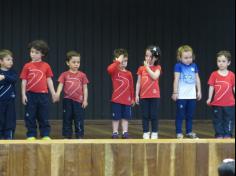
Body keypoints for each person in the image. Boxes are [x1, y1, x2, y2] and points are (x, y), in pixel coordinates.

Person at [20, 40, 56, 140]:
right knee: (30, 116)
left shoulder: (46, 66)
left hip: (43, 96)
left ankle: (45, 134)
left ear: (42, 54)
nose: (33, 54)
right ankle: (31, 134)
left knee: (43, 116)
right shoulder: (27, 66)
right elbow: (24, 81)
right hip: (30, 95)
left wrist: (53, 93)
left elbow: (49, 80)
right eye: (32, 52)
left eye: (36, 52)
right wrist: (23, 94)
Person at [55, 51, 89, 139]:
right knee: (67, 119)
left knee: (79, 119)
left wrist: (85, 100)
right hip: (67, 101)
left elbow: (85, 88)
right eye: (74, 62)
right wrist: (57, 94)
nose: (76, 64)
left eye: (78, 62)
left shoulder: (82, 75)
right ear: (67, 63)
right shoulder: (64, 75)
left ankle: (79, 135)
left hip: (79, 102)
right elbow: (60, 85)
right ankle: (67, 136)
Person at [172, 45, 201, 139]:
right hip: (181, 96)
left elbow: (197, 79)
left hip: (191, 96)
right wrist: (175, 92)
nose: (188, 59)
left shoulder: (194, 65)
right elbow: (176, 79)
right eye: (185, 58)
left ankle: (189, 131)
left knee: (190, 115)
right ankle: (179, 132)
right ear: (180, 57)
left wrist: (199, 91)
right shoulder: (178, 66)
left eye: (190, 57)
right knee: (180, 115)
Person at [207, 51, 235, 139]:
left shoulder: (232, 75)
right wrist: (209, 98)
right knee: (217, 120)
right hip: (217, 103)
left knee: (229, 120)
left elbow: (234, 87)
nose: (221, 63)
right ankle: (219, 134)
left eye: (223, 61)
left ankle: (228, 133)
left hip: (229, 103)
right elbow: (211, 87)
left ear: (228, 63)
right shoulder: (214, 74)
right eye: (219, 61)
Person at [107, 48, 134, 139]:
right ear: (116, 60)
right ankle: (115, 132)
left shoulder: (129, 73)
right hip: (117, 100)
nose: (124, 63)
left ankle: (125, 132)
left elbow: (131, 87)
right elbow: (109, 69)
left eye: (125, 61)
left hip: (127, 100)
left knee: (126, 117)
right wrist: (118, 62)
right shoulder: (114, 71)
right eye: (122, 61)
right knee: (116, 117)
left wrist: (133, 98)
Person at [136, 45, 162, 139]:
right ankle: (146, 132)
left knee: (154, 115)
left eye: (151, 56)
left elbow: (155, 77)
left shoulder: (157, 67)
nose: (148, 58)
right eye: (146, 56)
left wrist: (147, 68)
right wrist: (136, 95)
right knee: (145, 115)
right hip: (144, 96)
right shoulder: (141, 68)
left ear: (156, 57)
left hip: (154, 96)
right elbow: (138, 83)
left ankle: (154, 132)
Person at [0, 49, 17, 140]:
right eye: (8, 59)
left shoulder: (12, 72)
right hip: (0, 102)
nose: (11, 62)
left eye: (11, 60)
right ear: (1, 61)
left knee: (10, 121)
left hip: (10, 102)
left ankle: (9, 137)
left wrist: (4, 77)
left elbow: (14, 79)